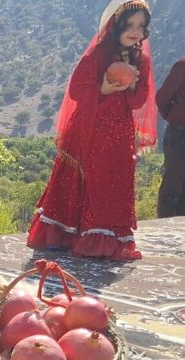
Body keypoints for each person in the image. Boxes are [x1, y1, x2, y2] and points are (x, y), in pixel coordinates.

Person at [27, 0, 157, 260]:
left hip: (118, 133)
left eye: (141, 26)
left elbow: (139, 101)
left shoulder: (140, 61)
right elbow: (76, 91)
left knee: (111, 180)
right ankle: (65, 235)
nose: (135, 31)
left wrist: (131, 85)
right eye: (130, 24)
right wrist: (103, 90)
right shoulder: (97, 54)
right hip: (89, 128)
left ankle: (101, 236)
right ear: (116, 25)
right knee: (82, 178)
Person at [156, 56, 185, 218]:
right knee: (173, 182)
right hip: (179, 134)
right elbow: (162, 98)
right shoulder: (182, 66)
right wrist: (174, 117)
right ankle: (165, 227)